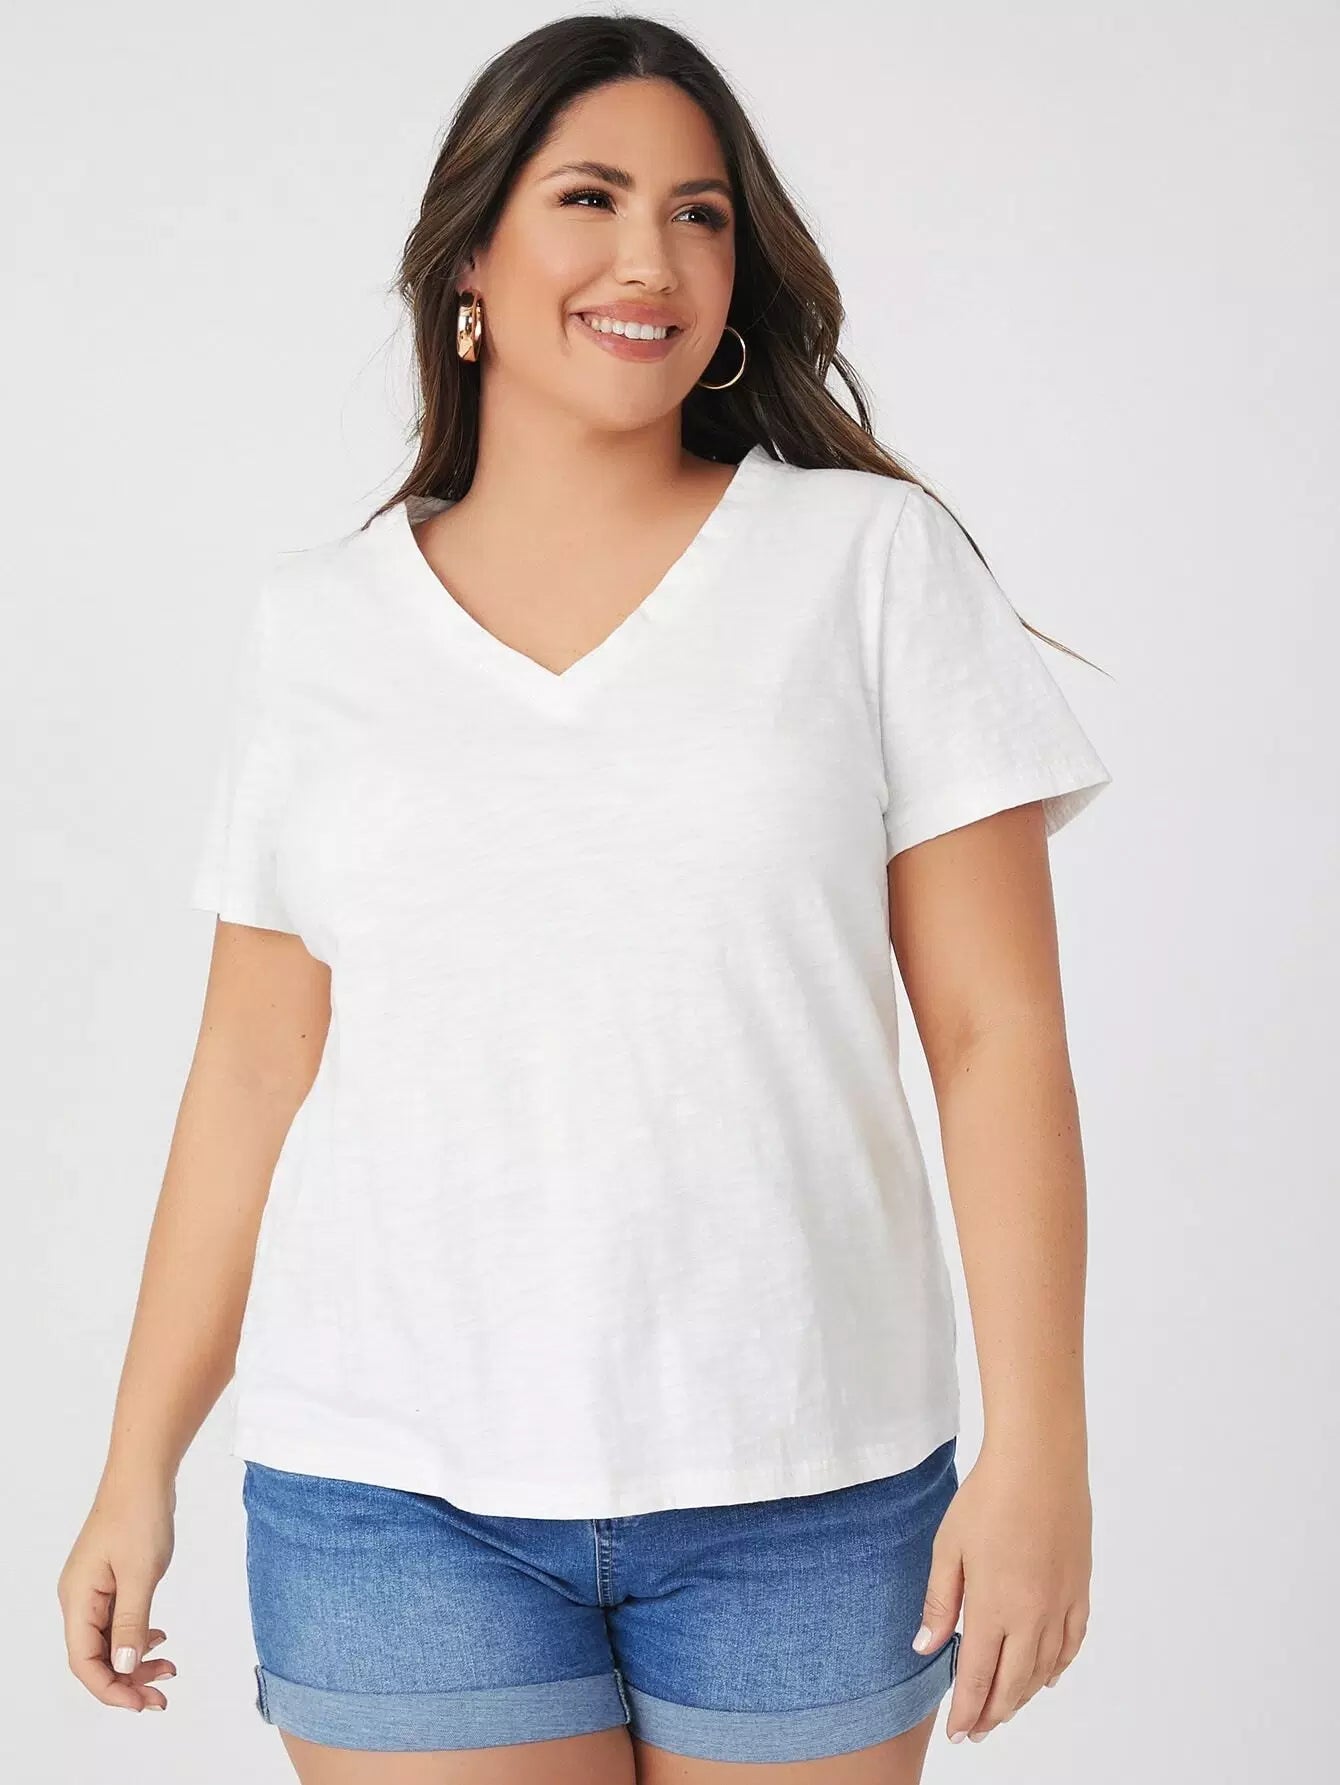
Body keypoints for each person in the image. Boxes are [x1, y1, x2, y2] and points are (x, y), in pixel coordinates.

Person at [58, 15, 1113, 1783]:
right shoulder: (318, 625)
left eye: (701, 214)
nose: (652, 258)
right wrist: (133, 1462)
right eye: (592, 199)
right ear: (471, 257)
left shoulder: (867, 567)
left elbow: (996, 1032)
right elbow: (249, 1069)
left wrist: (1046, 1448)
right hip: (389, 1492)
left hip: (809, 1482)